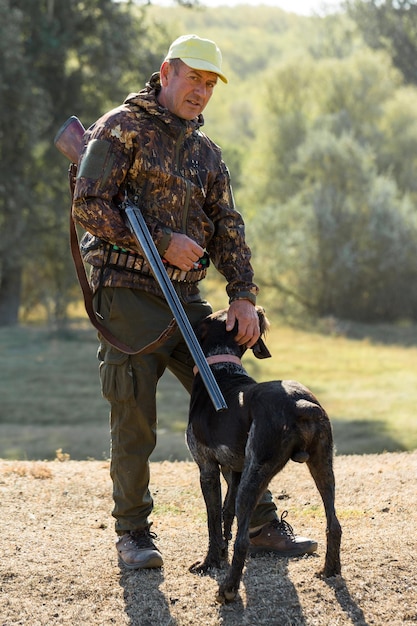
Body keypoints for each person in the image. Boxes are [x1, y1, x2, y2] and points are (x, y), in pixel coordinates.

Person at [72, 34, 318, 570]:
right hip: (128, 296)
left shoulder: (208, 153)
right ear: (166, 73)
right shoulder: (119, 128)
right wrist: (161, 241)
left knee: (233, 398)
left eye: (211, 84)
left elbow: (229, 229)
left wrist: (244, 296)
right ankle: (134, 535)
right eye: (193, 79)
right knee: (134, 419)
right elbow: (88, 207)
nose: (202, 92)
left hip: (187, 300)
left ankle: (260, 522)